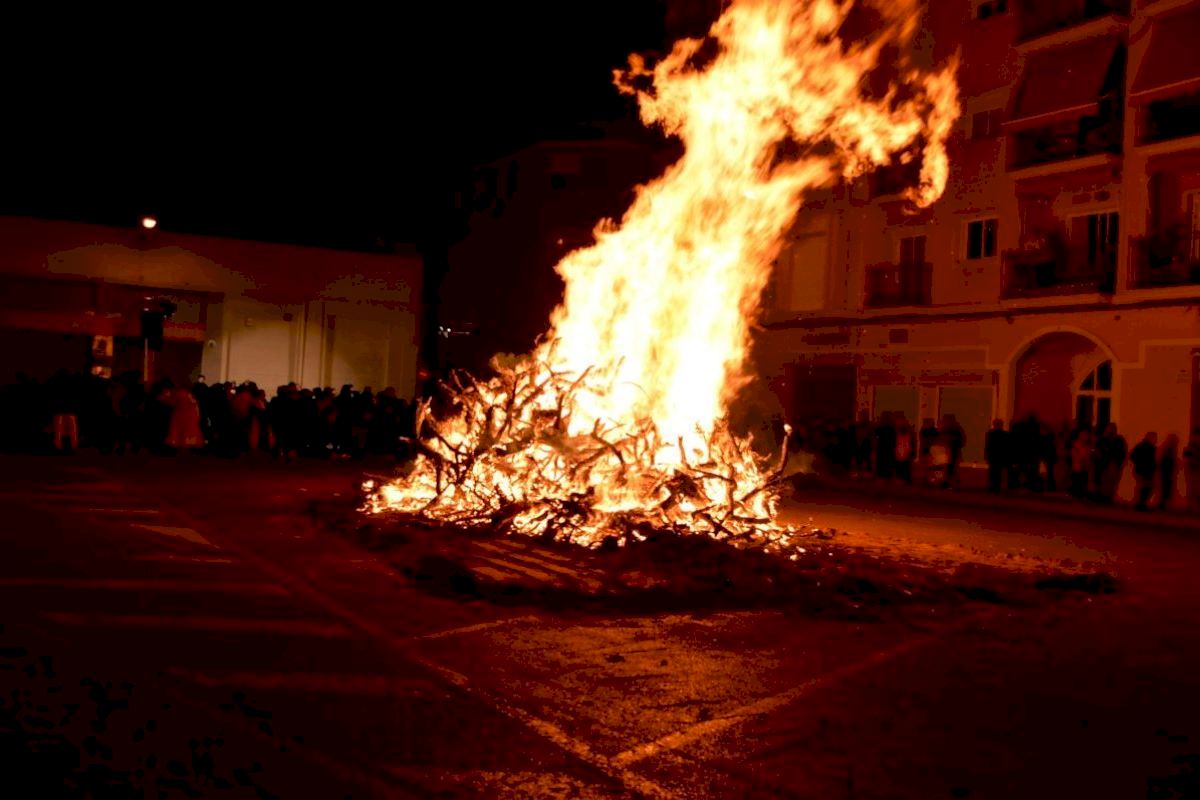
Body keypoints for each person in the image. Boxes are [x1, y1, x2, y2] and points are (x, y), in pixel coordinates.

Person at [1130, 432, 1159, 512]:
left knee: (1145, 488)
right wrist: (1140, 463)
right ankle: (1140, 504)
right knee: (1144, 488)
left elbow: (1133, 456)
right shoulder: (1145, 447)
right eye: (1154, 438)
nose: (1155, 440)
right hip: (1144, 470)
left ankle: (1141, 504)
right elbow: (1133, 456)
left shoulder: (1147, 447)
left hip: (1145, 470)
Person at [984, 419, 1009, 493]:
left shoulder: (990, 434)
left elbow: (988, 446)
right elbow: (1006, 447)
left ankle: (993, 487)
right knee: (997, 473)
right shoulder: (1005, 434)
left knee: (993, 472)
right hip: (999, 456)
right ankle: (995, 488)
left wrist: (987, 455)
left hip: (994, 456)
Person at [1069, 429, 1093, 499]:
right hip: (1077, 469)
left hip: (1084, 470)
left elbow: (1088, 457)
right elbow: (1075, 457)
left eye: (1086, 435)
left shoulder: (1087, 447)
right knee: (1077, 489)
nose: (1085, 437)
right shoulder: (1075, 445)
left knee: (1082, 489)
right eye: (1084, 435)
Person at [1159, 434, 1180, 511]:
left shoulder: (1167, 450)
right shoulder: (1170, 451)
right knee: (1166, 489)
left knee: (1166, 489)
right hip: (1167, 473)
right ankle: (1163, 505)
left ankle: (1163, 504)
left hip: (1166, 472)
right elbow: (1168, 462)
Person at [894, 415, 916, 485]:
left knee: (905, 470)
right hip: (898, 455)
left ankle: (906, 482)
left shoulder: (909, 434)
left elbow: (912, 444)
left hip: (906, 455)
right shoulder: (896, 434)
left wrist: (912, 454)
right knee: (899, 470)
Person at [1185, 428, 1200, 512]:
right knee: (1193, 489)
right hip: (1193, 470)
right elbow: (1187, 457)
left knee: (1196, 489)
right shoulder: (1191, 446)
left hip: (1195, 469)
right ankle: (1192, 506)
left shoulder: (1192, 446)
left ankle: (1195, 506)